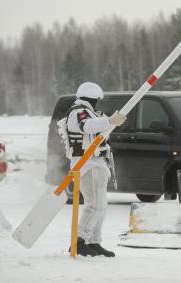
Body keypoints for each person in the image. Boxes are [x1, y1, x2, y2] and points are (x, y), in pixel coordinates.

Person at [58, 82, 126, 257]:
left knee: (101, 206)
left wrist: (108, 123)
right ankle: (79, 241)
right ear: (93, 98)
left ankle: (93, 241)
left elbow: (95, 128)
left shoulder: (89, 111)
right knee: (93, 205)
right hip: (85, 164)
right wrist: (109, 120)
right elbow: (86, 126)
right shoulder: (78, 111)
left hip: (96, 162)